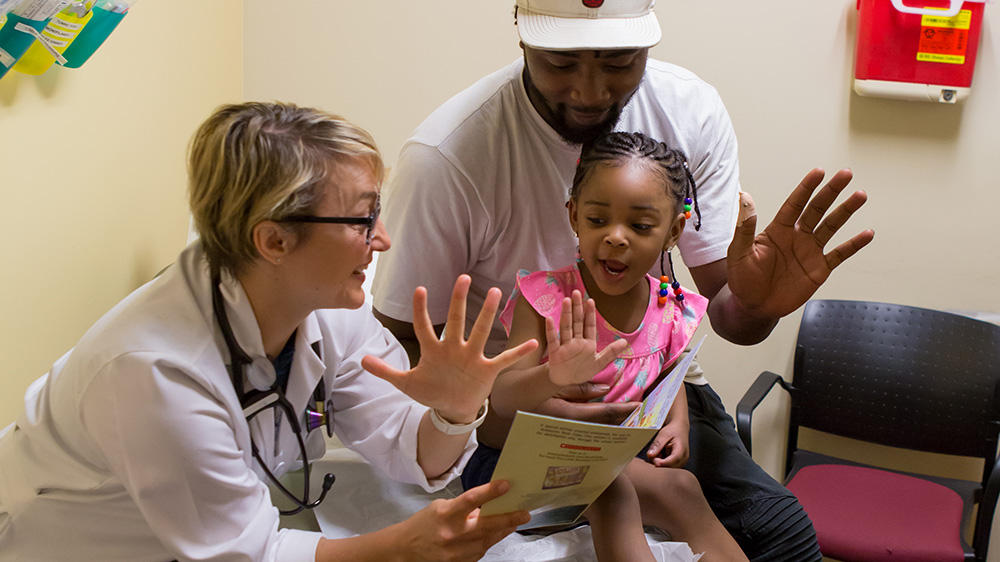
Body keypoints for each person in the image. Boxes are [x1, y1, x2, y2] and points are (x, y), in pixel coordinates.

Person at [370, 1, 873, 560]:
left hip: (649, 398)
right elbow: (400, 337)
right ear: (521, 36)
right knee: (615, 496)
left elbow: (711, 324)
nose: (589, 91)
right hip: (513, 412)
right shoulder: (447, 158)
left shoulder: (690, 111)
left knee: (783, 536)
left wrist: (756, 304)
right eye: (561, 62)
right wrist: (526, 399)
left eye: (618, 61)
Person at [0, 102, 537, 562]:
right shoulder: (157, 372)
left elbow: (407, 449)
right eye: (362, 219)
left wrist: (456, 410)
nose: (383, 240)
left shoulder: (326, 305)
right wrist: (400, 546)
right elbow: (245, 554)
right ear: (274, 242)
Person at [472, 131, 749, 562]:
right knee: (608, 487)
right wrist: (552, 376)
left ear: (673, 231)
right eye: (598, 220)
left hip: (606, 456)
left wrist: (678, 422)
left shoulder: (670, 306)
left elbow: (669, 372)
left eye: (640, 226)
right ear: (574, 216)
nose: (616, 237)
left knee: (683, 487)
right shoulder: (545, 298)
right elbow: (501, 401)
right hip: (515, 465)